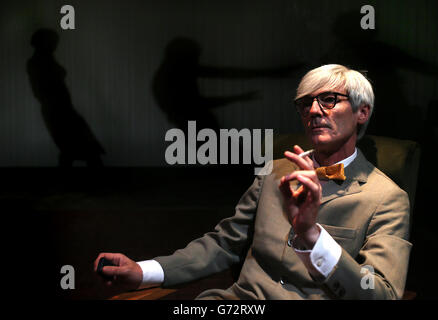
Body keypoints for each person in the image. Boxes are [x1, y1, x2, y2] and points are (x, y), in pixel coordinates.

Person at [94, 64, 411, 299]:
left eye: (329, 99)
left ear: (362, 112)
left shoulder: (387, 198)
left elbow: (381, 294)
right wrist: (144, 271)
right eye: (305, 103)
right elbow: (223, 243)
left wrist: (312, 236)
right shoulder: (274, 171)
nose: (314, 110)